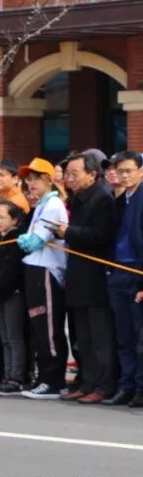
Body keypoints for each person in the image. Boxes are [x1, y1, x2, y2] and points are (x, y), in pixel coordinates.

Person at [52, 152, 117, 404]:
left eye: (74, 174)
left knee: (100, 337)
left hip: (96, 276)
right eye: (67, 174)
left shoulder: (102, 198)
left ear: (92, 174)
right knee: (82, 337)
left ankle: (103, 385)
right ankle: (87, 381)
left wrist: (69, 231)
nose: (69, 179)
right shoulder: (77, 198)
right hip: (77, 275)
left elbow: (102, 235)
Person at [16, 158, 70, 400]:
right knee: (38, 326)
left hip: (46, 269)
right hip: (35, 268)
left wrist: (24, 240)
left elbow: (35, 241)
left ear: (49, 179)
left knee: (48, 327)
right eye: (28, 179)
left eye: (36, 178)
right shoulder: (41, 204)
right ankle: (44, 377)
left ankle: (54, 380)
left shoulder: (54, 204)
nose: (31, 183)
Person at [107, 151, 143, 406]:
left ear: (141, 171)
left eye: (129, 170)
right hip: (117, 272)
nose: (124, 176)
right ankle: (126, 385)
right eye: (120, 171)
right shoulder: (119, 200)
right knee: (124, 336)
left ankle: (140, 388)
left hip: (138, 274)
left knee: (140, 337)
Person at [0, 201, 28, 395]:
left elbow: (12, 271)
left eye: (3, 217)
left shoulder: (16, 239)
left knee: (14, 337)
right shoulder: (1, 239)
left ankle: (16, 377)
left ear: (15, 219)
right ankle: (7, 375)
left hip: (13, 294)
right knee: (5, 338)